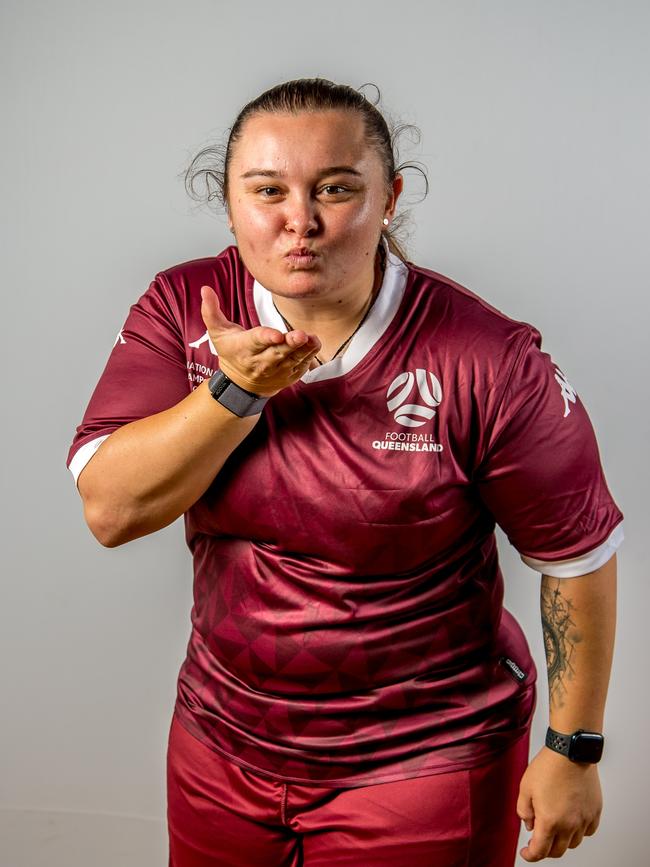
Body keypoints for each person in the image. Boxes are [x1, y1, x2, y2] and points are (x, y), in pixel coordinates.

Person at [67, 78, 623, 866]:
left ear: (389, 199)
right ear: (229, 205)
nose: (301, 220)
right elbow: (111, 511)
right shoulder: (183, 308)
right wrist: (236, 392)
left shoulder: (488, 359)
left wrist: (574, 748)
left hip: (425, 757)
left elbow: (578, 557)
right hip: (223, 742)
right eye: (268, 191)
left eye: (335, 187)